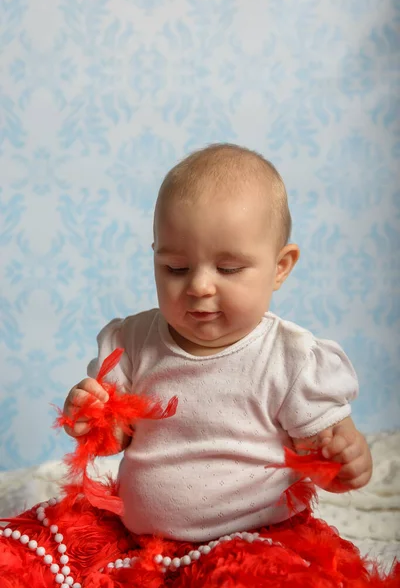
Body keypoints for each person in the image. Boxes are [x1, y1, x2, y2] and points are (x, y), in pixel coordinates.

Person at [63, 143, 373, 543]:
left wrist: (345, 461)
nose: (198, 286)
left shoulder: (291, 359)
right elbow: (115, 438)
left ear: (280, 268)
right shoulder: (133, 343)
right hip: (142, 545)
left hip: (258, 542)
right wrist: (90, 417)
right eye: (175, 268)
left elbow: (322, 455)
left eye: (228, 268)